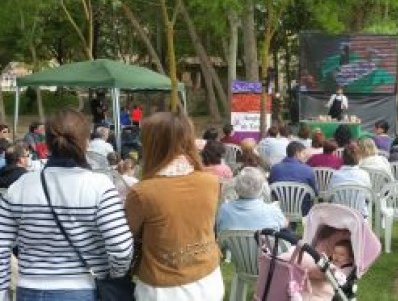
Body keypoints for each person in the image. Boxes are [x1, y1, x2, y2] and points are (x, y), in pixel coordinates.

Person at [0, 109, 134, 301]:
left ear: (46, 143)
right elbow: (121, 247)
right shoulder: (100, 186)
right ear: (86, 142)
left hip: (29, 289)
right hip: (83, 288)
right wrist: (110, 274)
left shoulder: (21, 186)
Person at [125, 111, 223, 300]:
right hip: (209, 280)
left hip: (163, 289)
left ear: (150, 144)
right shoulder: (210, 181)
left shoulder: (142, 192)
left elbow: (126, 236)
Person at [216, 167, 287, 232]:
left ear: (236, 187)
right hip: (263, 245)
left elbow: (218, 228)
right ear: (261, 189)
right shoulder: (272, 210)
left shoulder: (224, 209)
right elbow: (284, 224)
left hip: (231, 245)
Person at [269, 142, 317, 216]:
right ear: (297, 153)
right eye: (303, 153)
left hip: (279, 207)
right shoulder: (308, 170)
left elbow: (270, 188)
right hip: (302, 209)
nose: (305, 156)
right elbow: (314, 193)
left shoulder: (274, 168)